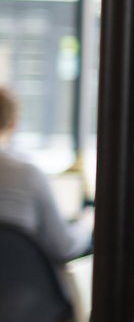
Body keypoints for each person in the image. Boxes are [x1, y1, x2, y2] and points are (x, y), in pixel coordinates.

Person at [0, 86, 91, 264]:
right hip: (18, 288)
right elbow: (63, 247)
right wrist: (86, 226)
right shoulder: (26, 175)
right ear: (14, 123)